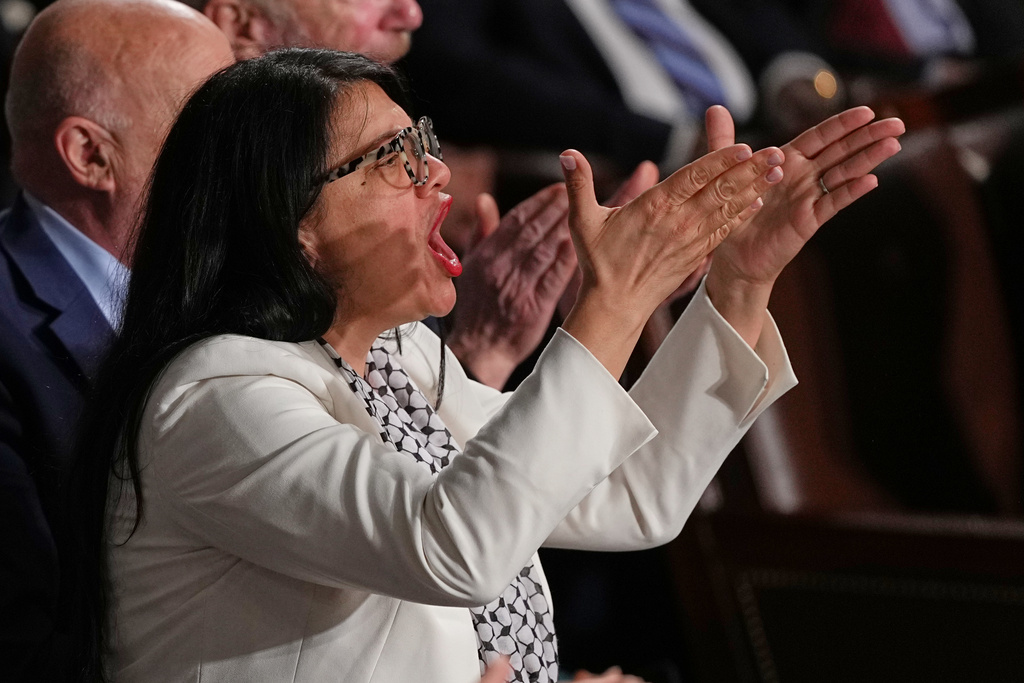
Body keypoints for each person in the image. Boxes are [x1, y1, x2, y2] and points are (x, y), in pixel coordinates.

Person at [68, 48, 902, 683]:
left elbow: (624, 489)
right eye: (394, 156)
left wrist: (740, 281)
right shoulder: (212, 398)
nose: (437, 173)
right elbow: (456, 544)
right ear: (292, 223)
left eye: (423, 142)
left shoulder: (396, 358)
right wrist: (614, 301)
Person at [0, 1, 234, 679]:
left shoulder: (232, 283)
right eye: (212, 123)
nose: (248, 153)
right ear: (91, 155)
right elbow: (27, 646)